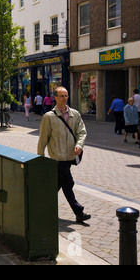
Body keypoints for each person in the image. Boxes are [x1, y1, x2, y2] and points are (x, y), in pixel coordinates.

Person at [37, 87, 90, 223]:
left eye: (66, 95)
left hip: (69, 157)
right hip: (57, 157)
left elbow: (81, 132)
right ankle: (79, 211)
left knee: (58, 184)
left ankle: (40, 207)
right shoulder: (49, 117)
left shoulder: (75, 114)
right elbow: (43, 139)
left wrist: (79, 144)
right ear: (55, 97)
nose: (64, 98)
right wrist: (40, 158)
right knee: (68, 182)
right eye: (61, 96)